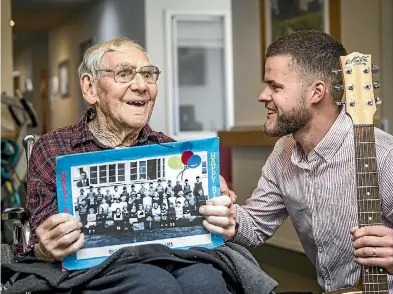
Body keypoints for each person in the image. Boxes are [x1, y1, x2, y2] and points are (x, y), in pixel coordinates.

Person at [200, 31, 393, 293]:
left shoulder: (391, 159)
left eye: (276, 87)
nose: (263, 96)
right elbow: (254, 226)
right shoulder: (284, 151)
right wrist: (227, 215)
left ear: (316, 92)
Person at [16, 37, 237, 294]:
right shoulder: (53, 148)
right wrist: (45, 246)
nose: (142, 86)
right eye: (124, 74)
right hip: (95, 270)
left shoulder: (170, 151)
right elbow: (41, 238)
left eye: (149, 75)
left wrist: (219, 212)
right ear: (90, 88)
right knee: (153, 284)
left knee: (208, 280)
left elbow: (203, 232)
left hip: (169, 258)